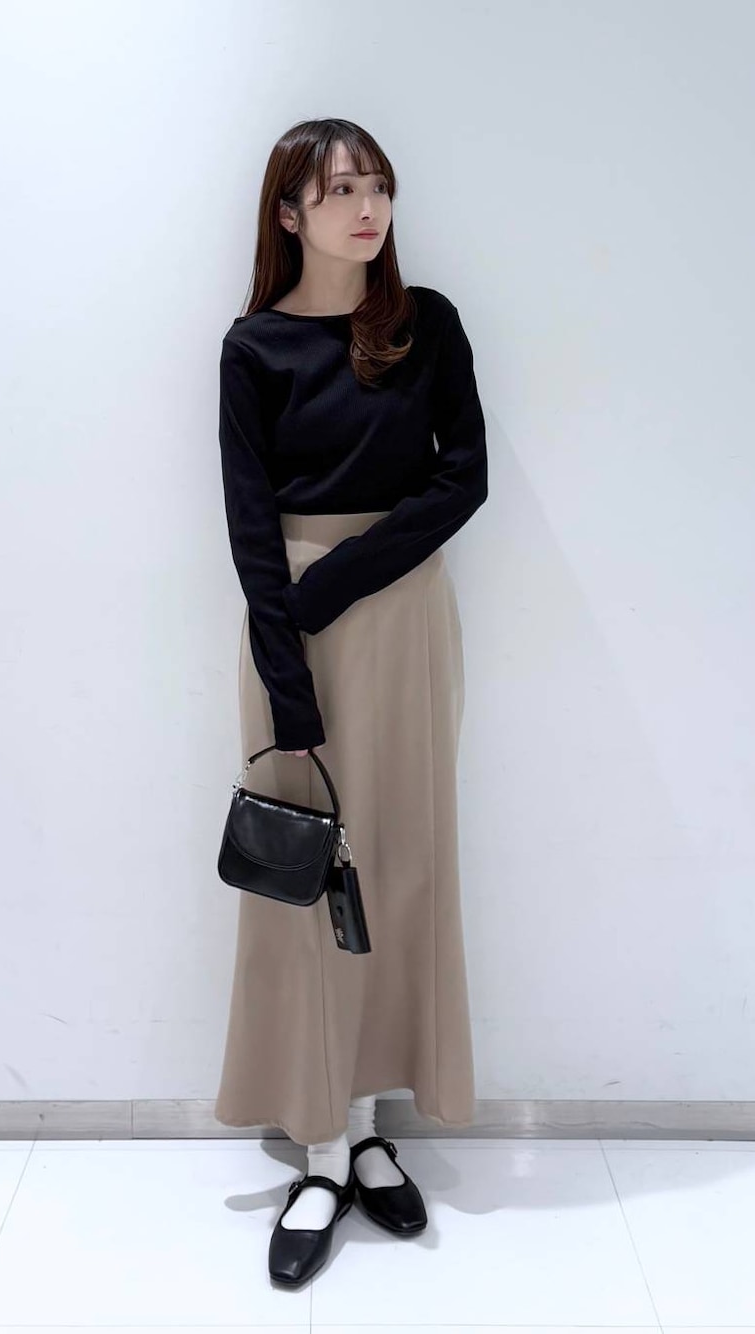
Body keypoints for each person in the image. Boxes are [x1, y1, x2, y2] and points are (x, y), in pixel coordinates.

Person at [214, 117, 488, 1286]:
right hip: (290, 629)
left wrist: (340, 581)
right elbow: (247, 522)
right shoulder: (254, 347)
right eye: (338, 190)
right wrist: (290, 660)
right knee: (307, 869)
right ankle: (320, 1147)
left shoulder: (426, 324)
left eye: (377, 185)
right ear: (289, 213)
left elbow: (461, 477)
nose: (365, 207)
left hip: (402, 613)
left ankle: (369, 1123)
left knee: (402, 860)